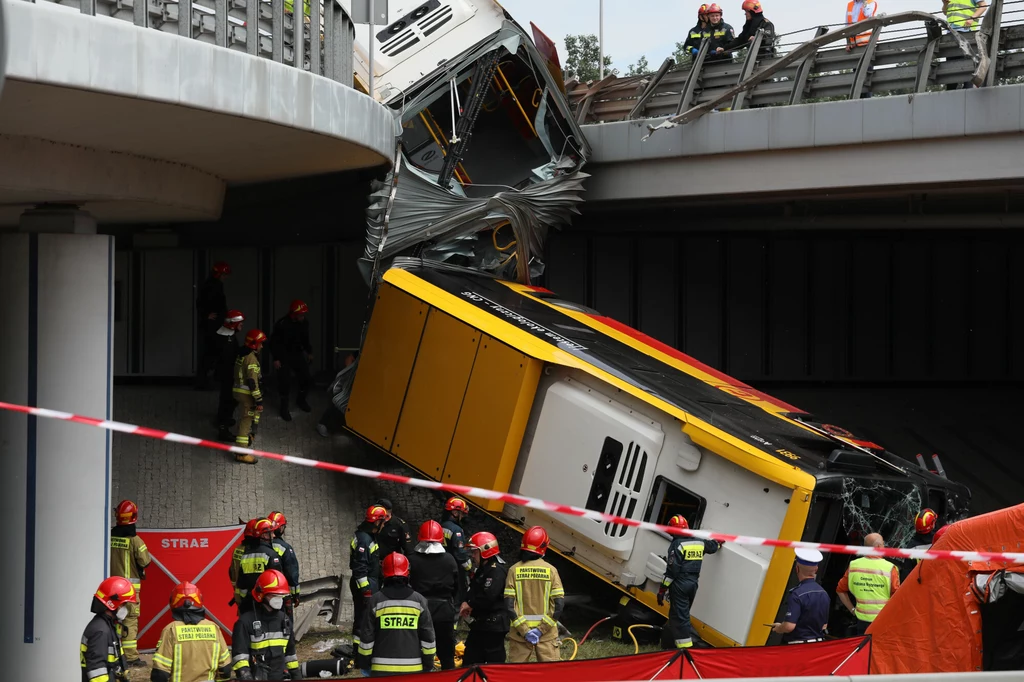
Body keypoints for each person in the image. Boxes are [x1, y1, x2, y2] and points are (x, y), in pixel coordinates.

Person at [356, 553, 437, 676]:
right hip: (413, 671)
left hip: (381, 671)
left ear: (383, 573)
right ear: (407, 573)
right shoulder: (419, 601)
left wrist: (364, 664)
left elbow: (366, 639)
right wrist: (428, 664)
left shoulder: (375, 601)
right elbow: (428, 638)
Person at [657, 515, 722, 649]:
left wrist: (662, 590)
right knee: (680, 615)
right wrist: (719, 542)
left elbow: (672, 572)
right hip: (693, 584)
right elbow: (712, 547)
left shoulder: (677, 545)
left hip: (680, 584)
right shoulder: (698, 542)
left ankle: (684, 650)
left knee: (680, 618)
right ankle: (671, 645)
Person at [503, 526, 565, 663]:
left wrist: (525, 631)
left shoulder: (513, 570)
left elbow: (509, 606)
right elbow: (558, 606)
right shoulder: (551, 571)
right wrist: (541, 630)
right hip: (547, 635)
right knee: (550, 675)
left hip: (520, 635)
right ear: (544, 547)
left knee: (517, 676)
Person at [408, 520, 461, 670]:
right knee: (446, 651)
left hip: (420, 609)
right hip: (445, 610)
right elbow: (457, 587)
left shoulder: (412, 559)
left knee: (420, 648)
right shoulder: (450, 560)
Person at [151, 582, 231, 682]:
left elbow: (160, 674)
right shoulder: (214, 628)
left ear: (173, 602)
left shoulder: (171, 630)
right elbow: (225, 669)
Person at [231, 569, 300, 680]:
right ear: (261, 595)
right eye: (274, 595)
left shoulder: (284, 621)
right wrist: (246, 676)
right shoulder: (245, 622)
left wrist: (296, 675)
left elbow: (290, 655)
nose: (279, 600)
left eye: (281, 596)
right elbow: (240, 658)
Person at [109, 499, 151, 668]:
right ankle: (131, 658)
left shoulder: (108, 536)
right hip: (129, 591)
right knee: (130, 620)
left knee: (112, 620)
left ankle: (114, 653)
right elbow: (145, 561)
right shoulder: (136, 541)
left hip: (110, 588)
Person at [836, 532, 901, 635]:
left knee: (863, 649)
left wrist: (853, 610)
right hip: (881, 622)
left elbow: (840, 590)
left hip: (861, 622)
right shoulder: (890, 568)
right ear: (879, 546)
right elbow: (897, 597)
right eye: (883, 544)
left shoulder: (854, 565)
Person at [460, 531, 509, 665]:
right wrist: (466, 601)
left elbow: (489, 596)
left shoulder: (496, 571)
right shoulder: (482, 570)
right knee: (470, 661)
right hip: (481, 624)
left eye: (475, 552)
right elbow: (473, 590)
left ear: (485, 551)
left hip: (493, 626)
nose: (472, 555)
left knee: (494, 665)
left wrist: (471, 605)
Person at [81, 576, 137, 682]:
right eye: (124, 604)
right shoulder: (100, 631)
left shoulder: (108, 626)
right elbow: (97, 675)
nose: (126, 609)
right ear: (113, 603)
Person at [771, 548, 830, 644]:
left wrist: (779, 628)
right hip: (817, 645)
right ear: (816, 569)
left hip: (798, 646)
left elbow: (789, 626)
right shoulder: (823, 593)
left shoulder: (796, 594)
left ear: (797, 569)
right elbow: (824, 625)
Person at [269, 299, 313, 422]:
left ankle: (301, 400)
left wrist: (309, 351)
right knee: (285, 381)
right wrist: (276, 358)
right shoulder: (282, 324)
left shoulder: (304, 323)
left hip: (297, 354)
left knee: (306, 378)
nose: (303, 317)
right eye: (301, 314)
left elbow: (305, 339)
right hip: (283, 355)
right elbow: (273, 343)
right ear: (294, 314)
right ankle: (284, 408)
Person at [229, 518, 284, 616]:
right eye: (271, 533)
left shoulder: (243, 553)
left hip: (247, 602)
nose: (274, 535)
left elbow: (236, 576)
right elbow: (277, 581)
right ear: (263, 535)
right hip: (267, 604)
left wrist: (243, 601)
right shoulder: (270, 555)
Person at [351, 504, 388, 638]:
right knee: (363, 620)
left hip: (370, 582)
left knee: (368, 619)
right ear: (377, 522)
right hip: (366, 585)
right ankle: (360, 651)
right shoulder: (364, 540)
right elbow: (360, 568)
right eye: (383, 522)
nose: (383, 526)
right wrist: (366, 591)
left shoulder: (367, 536)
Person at [232, 329, 267, 463]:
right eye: (260, 343)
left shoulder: (242, 353)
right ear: (254, 344)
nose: (262, 346)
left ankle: (248, 437)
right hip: (247, 393)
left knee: (246, 418)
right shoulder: (251, 358)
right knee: (246, 419)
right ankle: (241, 453)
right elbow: (252, 382)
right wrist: (259, 400)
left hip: (238, 390)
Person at [195, 261, 230, 390]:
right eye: (224, 274)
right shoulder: (212, 286)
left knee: (213, 351)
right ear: (219, 274)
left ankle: (207, 379)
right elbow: (201, 303)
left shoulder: (214, 285)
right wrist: (206, 315)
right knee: (212, 351)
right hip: (213, 325)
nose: (225, 277)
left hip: (215, 323)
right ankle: (205, 380)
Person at [215, 310, 246, 442]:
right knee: (229, 400)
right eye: (240, 323)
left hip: (225, 375)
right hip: (228, 375)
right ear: (233, 324)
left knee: (226, 399)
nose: (242, 326)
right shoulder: (227, 341)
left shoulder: (227, 336)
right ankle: (224, 429)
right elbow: (230, 359)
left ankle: (222, 420)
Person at [317, 351, 358, 438]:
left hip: (356, 388)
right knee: (339, 402)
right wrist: (349, 369)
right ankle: (323, 423)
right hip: (344, 387)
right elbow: (350, 358)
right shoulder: (363, 352)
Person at [267, 511, 301, 608]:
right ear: (281, 528)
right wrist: (296, 595)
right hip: (280, 594)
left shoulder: (260, 544)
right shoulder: (285, 548)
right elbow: (292, 573)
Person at [441, 497, 473, 593]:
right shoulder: (456, 530)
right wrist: (470, 568)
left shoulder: (441, 525)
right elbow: (460, 554)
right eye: (462, 514)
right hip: (454, 567)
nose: (462, 516)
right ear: (455, 513)